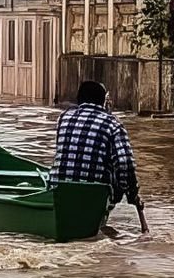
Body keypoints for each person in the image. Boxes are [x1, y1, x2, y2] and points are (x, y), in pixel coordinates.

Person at [52, 81, 148, 233]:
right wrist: (131, 193)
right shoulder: (113, 124)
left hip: (58, 189)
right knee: (117, 175)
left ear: (79, 99)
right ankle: (101, 217)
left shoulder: (64, 118)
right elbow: (124, 165)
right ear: (103, 101)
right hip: (96, 193)